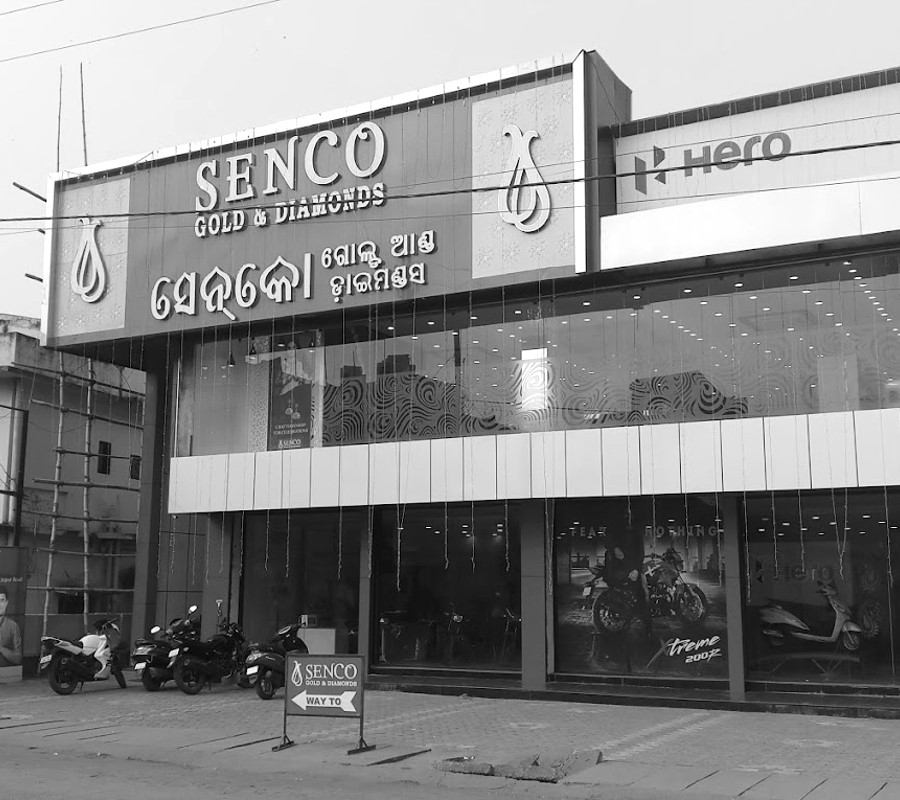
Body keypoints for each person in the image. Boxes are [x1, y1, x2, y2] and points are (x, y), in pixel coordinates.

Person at [604, 523, 653, 638]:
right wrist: (615, 548)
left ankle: (647, 628)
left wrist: (636, 569)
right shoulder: (614, 528)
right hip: (616, 570)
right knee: (639, 594)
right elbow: (607, 540)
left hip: (632, 568)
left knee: (643, 594)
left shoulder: (636, 531)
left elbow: (640, 552)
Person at [0, 584, 23, 667]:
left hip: (7, 671)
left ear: (6, 602)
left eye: (2, 600)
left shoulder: (13, 626)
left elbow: (18, 658)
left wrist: (2, 649)